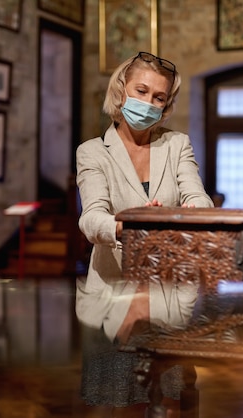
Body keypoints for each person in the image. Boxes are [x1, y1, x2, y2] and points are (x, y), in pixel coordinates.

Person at [75, 51, 213, 416]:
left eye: (159, 97)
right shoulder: (92, 152)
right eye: (142, 91)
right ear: (121, 90)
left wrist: (183, 215)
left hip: (168, 294)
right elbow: (92, 219)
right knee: (112, 401)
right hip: (112, 293)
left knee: (174, 396)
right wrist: (130, 225)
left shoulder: (176, 145)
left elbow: (198, 197)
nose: (149, 103)